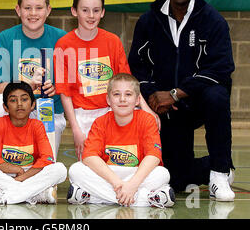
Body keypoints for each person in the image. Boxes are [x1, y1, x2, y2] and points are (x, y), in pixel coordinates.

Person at [128, 0, 235, 201]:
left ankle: (219, 174)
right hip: (164, 107)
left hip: (197, 101)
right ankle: (213, 166)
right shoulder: (148, 21)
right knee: (175, 178)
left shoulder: (213, 20)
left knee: (217, 95)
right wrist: (154, 94)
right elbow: (136, 65)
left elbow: (222, 68)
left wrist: (177, 92)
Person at [54, 0, 157, 160]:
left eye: (96, 10)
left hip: (112, 110)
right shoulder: (63, 45)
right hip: (83, 114)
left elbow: (127, 82)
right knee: (90, 165)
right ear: (74, 11)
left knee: (117, 161)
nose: (91, 16)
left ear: (103, 12)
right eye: (85, 10)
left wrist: (146, 109)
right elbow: (65, 92)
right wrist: (76, 128)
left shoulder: (112, 41)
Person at [67, 73, 175, 208]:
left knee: (162, 174)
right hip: (110, 174)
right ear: (108, 99)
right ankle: (144, 199)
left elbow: (154, 156)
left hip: (136, 173)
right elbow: (89, 156)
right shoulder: (101, 122)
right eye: (116, 94)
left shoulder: (147, 120)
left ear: (137, 100)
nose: (122, 99)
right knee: (76, 170)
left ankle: (95, 198)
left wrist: (132, 184)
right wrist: (118, 184)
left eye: (128, 94)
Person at [0, 0, 67, 159]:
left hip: (49, 110)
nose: (33, 13)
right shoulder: (5, 39)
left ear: (48, 10)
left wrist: (57, 88)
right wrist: (26, 86)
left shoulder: (61, 39)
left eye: (39, 8)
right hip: (15, 110)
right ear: (18, 10)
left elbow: (69, 86)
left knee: (46, 167)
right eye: (27, 8)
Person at [0, 81, 67, 205]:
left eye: (24, 99)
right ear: (5, 107)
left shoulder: (37, 125)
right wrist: (14, 168)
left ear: (32, 105)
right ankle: (34, 195)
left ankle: (0, 196)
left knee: (60, 169)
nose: (19, 104)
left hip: (30, 174)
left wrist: (21, 178)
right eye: (13, 100)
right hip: (5, 174)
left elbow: (46, 159)